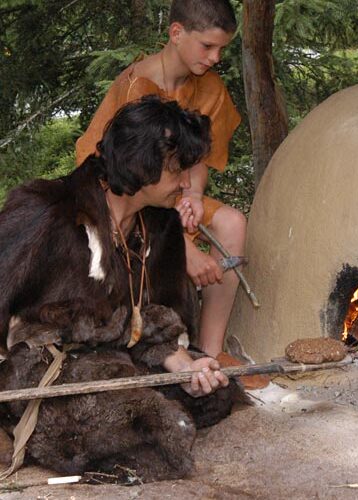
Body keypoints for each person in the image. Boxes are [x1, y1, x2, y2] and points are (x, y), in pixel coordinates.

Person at [74, 0, 260, 385]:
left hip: (175, 194)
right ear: (176, 33)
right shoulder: (134, 88)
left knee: (231, 223)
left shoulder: (210, 88)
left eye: (222, 48)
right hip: (128, 202)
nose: (215, 57)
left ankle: (208, 352)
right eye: (207, 46)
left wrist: (191, 197)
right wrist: (183, 244)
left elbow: (200, 159)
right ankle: (157, 348)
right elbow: (121, 183)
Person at [1, 96, 228, 397]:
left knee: (213, 390)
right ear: (141, 163)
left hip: (124, 360)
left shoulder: (162, 225)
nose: (187, 183)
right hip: (45, 370)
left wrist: (186, 366)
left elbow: (153, 320)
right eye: (177, 170)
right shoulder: (49, 211)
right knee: (129, 421)